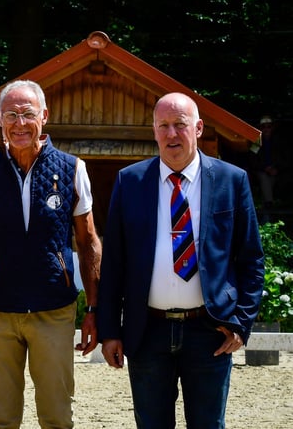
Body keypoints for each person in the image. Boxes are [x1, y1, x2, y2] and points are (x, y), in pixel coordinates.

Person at [97, 92, 265, 429]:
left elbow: (251, 259)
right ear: (154, 131)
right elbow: (114, 261)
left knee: (207, 424)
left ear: (198, 128)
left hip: (210, 330)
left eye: (180, 125)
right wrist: (110, 331)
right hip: (148, 331)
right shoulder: (130, 182)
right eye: (163, 126)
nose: (171, 134)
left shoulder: (232, 181)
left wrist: (241, 323)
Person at [0, 79, 102, 428]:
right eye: (11, 115)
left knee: (56, 417)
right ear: (0, 120)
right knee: (2, 419)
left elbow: (89, 242)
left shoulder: (73, 169)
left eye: (27, 114)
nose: (19, 123)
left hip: (54, 309)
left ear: (44, 116)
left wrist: (93, 309)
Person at [249, 114, 290, 212]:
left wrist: (277, 169)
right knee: (264, 178)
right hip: (261, 171)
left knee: (269, 182)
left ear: (273, 127)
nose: (266, 129)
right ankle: (269, 205)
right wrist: (264, 168)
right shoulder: (256, 142)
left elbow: (287, 159)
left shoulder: (280, 141)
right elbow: (252, 160)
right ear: (260, 128)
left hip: (278, 171)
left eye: (269, 126)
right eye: (263, 127)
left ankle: (267, 210)